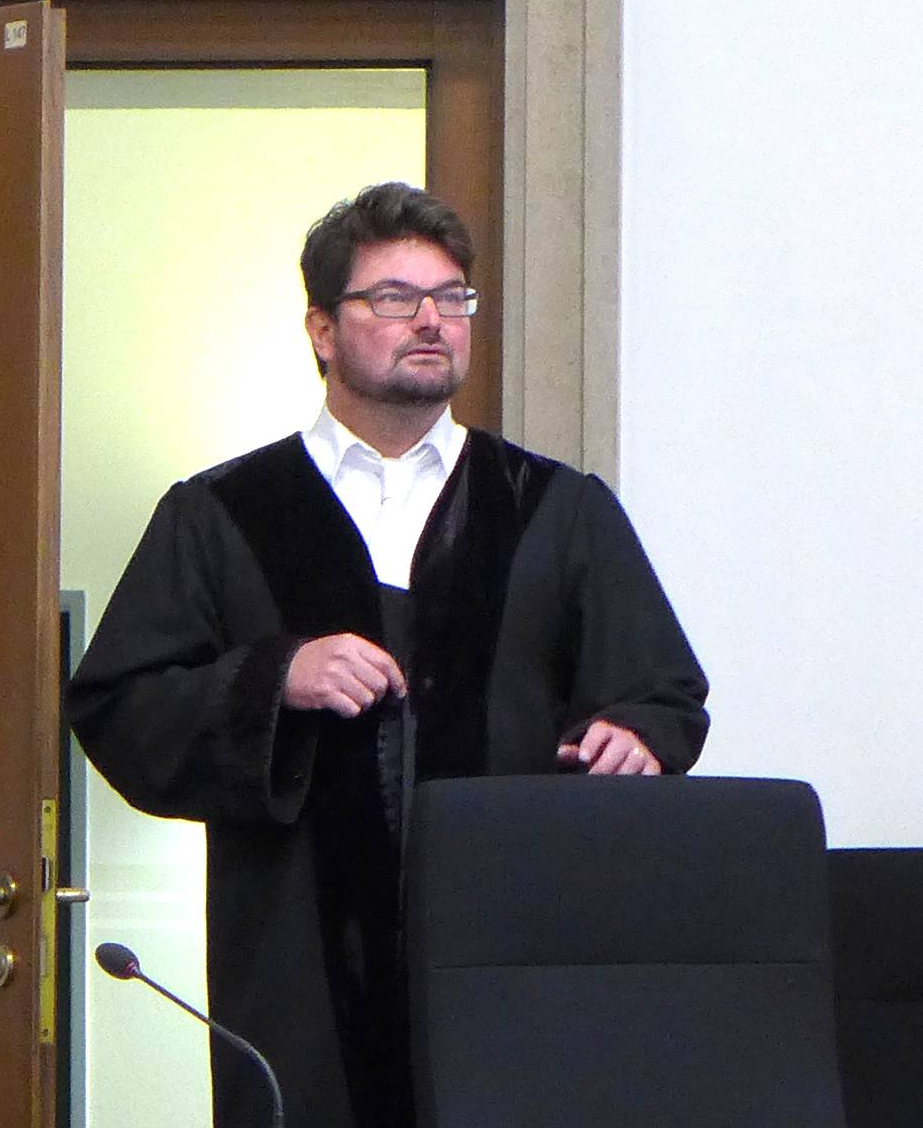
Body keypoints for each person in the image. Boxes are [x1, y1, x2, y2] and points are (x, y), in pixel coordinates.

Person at [67, 181, 709, 1128]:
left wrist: (636, 733)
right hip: (297, 967)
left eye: (451, 297)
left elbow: (662, 692)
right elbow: (118, 704)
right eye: (395, 297)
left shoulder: (555, 507)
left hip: (514, 964)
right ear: (322, 330)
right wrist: (274, 677)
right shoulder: (221, 514)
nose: (431, 320)